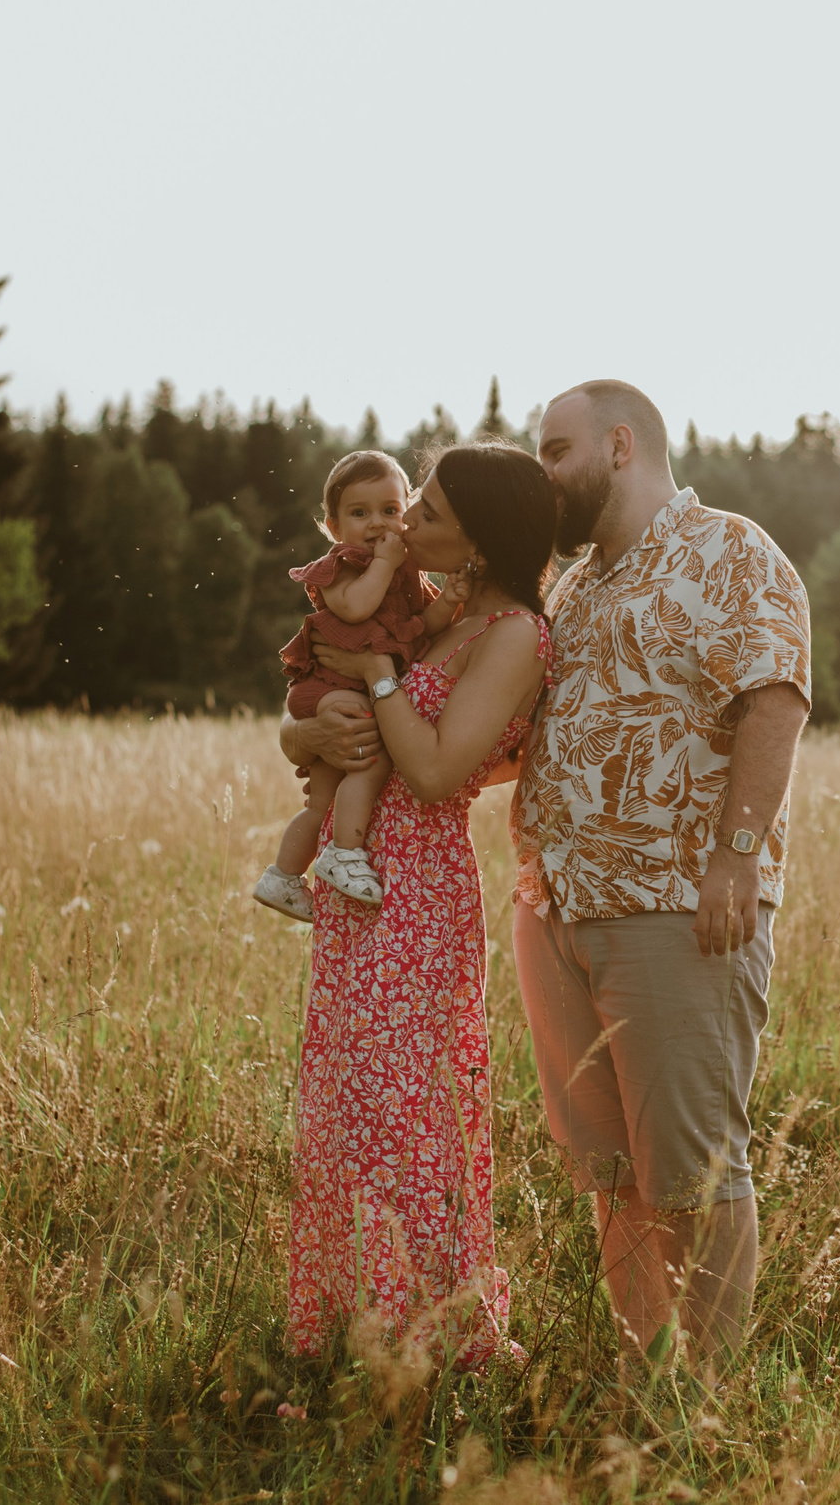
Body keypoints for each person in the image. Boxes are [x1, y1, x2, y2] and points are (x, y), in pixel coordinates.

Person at [508, 380, 812, 1380]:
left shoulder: (729, 551)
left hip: (677, 908)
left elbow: (773, 699)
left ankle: (709, 1399)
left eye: (555, 449)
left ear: (621, 443)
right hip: (558, 907)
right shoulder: (571, 582)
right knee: (613, 1170)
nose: (541, 471)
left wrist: (734, 853)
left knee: (693, 1165)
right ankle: (649, 1375)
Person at [275, 441, 556, 1367]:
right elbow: (311, 720)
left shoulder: (513, 632)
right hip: (360, 880)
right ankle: (349, 1321)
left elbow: (435, 772)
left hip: (418, 891)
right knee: (350, 1101)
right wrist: (309, 726)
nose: (404, 524)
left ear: (478, 536)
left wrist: (379, 679)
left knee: (412, 1111)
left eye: (424, 512)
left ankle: (427, 1329)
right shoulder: (433, 613)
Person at [256, 451, 468, 920]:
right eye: (359, 513)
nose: (377, 524)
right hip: (326, 688)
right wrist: (385, 565)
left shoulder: (405, 573)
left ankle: (284, 876)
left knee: (321, 800)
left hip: (351, 687)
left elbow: (420, 628)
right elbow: (354, 609)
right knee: (372, 758)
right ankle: (344, 852)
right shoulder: (344, 565)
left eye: (390, 511)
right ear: (333, 526)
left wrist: (448, 601)